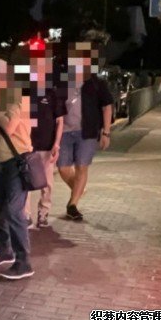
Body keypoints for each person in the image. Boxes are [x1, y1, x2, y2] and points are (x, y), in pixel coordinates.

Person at [0, 59, 35, 280]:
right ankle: (4, 251)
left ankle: (24, 261)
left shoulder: (16, 98)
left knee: (13, 211)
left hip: (16, 162)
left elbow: (9, 127)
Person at [57, 42, 113, 221]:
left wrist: (106, 133)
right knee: (63, 168)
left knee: (82, 167)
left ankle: (72, 205)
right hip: (64, 132)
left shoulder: (96, 83)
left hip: (87, 133)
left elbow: (107, 107)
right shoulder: (62, 81)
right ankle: (79, 189)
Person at [24, 48, 65, 228]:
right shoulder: (24, 92)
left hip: (47, 147)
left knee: (46, 184)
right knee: (25, 183)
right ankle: (26, 216)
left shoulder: (53, 94)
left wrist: (57, 144)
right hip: (26, 146)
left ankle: (44, 213)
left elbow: (60, 121)